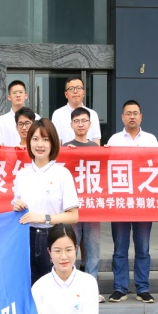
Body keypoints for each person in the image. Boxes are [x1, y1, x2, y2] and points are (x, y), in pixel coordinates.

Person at [12, 119, 79, 284]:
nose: (39, 144)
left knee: (54, 287)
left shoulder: (62, 174)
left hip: (53, 237)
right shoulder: (22, 174)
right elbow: (17, 210)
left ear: (53, 143)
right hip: (25, 238)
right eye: (35, 139)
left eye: (45, 139)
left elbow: (73, 216)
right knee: (27, 287)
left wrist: (43, 218)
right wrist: (17, 207)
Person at [106, 100, 158, 304]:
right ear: (122, 117)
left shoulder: (151, 140)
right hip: (120, 202)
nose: (132, 117)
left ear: (141, 116)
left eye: (135, 113)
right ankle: (120, 288)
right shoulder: (114, 140)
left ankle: (142, 288)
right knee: (120, 248)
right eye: (128, 113)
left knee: (143, 248)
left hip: (144, 202)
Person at [64, 107, 103, 302]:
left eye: (84, 121)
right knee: (70, 247)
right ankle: (69, 288)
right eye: (77, 121)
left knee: (93, 250)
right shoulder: (64, 148)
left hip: (93, 208)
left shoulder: (97, 149)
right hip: (71, 209)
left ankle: (92, 289)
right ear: (71, 124)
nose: (80, 124)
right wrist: (65, 153)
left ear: (90, 124)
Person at [51, 77, 101, 145]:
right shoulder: (58, 114)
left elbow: (96, 142)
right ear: (66, 94)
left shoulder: (93, 114)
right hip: (66, 151)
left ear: (83, 93)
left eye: (78, 88)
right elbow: (57, 143)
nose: (75, 91)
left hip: (89, 152)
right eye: (71, 89)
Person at [0, 80, 40, 147]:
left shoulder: (36, 118)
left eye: (21, 92)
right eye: (14, 93)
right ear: (9, 97)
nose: (18, 95)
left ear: (26, 96)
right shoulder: (1, 121)